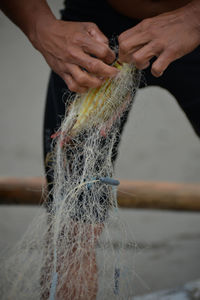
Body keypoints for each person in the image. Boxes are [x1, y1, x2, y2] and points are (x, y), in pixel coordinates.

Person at [1, 0, 200, 299]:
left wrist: (193, 18)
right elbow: (39, 24)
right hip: (95, 33)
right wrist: (40, 27)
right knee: (72, 232)